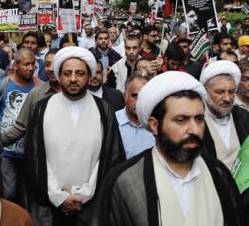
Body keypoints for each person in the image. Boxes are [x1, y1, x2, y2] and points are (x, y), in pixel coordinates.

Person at [97, 71, 244, 226]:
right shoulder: (125, 181)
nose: (194, 129)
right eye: (181, 120)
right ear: (154, 125)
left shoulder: (218, 173)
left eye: (199, 119)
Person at [24, 46, 125, 225]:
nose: (72, 79)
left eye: (79, 73)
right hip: (49, 208)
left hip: (92, 208)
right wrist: (59, 197)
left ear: (89, 76)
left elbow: (110, 157)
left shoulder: (104, 109)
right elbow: (34, 158)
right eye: (67, 73)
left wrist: (83, 195)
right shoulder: (41, 108)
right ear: (59, 75)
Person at [0, 49, 40, 204]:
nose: (30, 68)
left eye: (33, 64)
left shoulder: (40, 85)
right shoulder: (2, 85)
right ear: (15, 65)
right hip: (7, 151)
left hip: (31, 152)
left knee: (29, 193)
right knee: (9, 192)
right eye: (26, 64)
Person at [2, 49, 59, 147]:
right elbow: (20, 127)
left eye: (56, 64)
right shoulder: (36, 93)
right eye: (48, 64)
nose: (51, 68)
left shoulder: (74, 94)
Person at [199, 60, 249, 170]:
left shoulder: (243, 116)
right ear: (205, 92)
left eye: (231, 92)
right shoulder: (195, 121)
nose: (227, 98)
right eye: (220, 92)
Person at [115, 74, 154, 158]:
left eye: (144, 96)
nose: (139, 101)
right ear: (125, 96)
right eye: (135, 96)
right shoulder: (112, 121)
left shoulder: (157, 124)